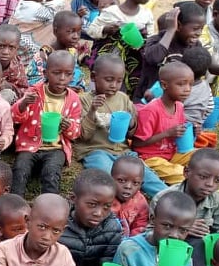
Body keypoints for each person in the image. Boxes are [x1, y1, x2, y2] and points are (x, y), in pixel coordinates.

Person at [75, 53, 167, 197]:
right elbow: (84, 135)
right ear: (93, 77)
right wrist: (92, 110)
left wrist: (131, 124)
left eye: (119, 81)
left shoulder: (123, 99)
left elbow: (131, 134)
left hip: (122, 151)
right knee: (105, 173)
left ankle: (169, 198)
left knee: (147, 175)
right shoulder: (84, 100)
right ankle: (118, 199)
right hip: (96, 150)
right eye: (109, 80)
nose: (114, 85)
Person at [11, 51, 82, 196]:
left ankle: (50, 204)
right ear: (45, 73)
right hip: (29, 145)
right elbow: (15, 118)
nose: (62, 78)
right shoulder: (34, 93)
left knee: (51, 171)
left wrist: (68, 126)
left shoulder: (73, 99)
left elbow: (76, 133)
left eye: (68, 74)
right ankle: (15, 202)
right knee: (20, 168)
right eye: (56, 73)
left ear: (73, 75)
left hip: (56, 148)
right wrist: (24, 104)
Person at [149, 148, 219, 266]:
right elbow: (149, 232)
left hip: (202, 252)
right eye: (203, 177)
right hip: (165, 248)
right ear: (186, 172)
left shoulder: (218, 202)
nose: (210, 184)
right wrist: (184, 229)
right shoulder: (164, 199)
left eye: (217, 180)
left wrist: (210, 238)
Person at [87, 0, 157, 96]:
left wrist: (142, 44)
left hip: (134, 64)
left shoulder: (146, 14)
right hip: (110, 62)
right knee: (104, 90)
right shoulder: (111, 12)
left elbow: (151, 38)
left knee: (126, 93)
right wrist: (105, 30)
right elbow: (91, 30)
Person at [131, 61, 194, 184]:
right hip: (151, 158)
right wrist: (167, 133)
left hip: (172, 154)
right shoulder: (151, 110)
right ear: (164, 85)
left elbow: (179, 135)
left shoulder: (179, 106)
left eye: (190, 84)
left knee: (202, 159)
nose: (187, 89)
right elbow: (137, 143)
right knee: (181, 174)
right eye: (181, 84)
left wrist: (192, 131)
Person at [135, 2, 206, 101]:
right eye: (195, 29)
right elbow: (154, 58)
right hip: (146, 101)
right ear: (178, 25)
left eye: (201, 29)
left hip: (175, 102)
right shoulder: (156, 40)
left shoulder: (196, 46)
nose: (199, 33)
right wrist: (171, 30)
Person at [111, 155, 150, 237]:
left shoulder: (141, 203)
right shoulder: (104, 197)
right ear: (110, 179)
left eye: (135, 183)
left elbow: (140, 226)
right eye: (121, 180)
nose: (128, 186)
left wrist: (130, 241)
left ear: (141, 185)